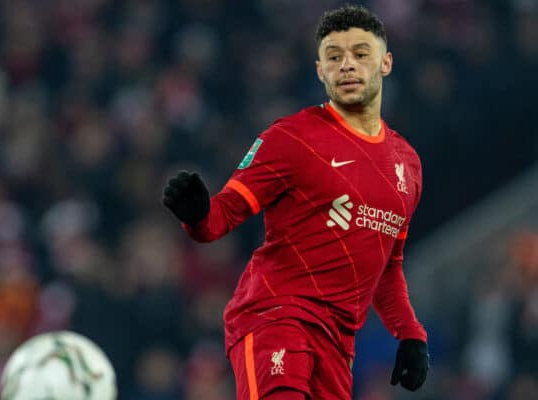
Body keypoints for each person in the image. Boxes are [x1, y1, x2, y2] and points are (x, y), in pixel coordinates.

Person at [163, 5, 429, 400]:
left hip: (338, 344)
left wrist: (410, 334)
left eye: (360, 53)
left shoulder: (407, 163)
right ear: (320, 71)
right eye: (334, 57)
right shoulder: (292, 138)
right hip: (276, 315)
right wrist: (196, 213)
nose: (347, 66)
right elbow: (219, 219)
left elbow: (386, 265)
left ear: (385, 63)